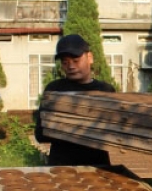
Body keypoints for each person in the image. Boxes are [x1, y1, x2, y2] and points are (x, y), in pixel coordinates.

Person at [34, 34, 115, 166]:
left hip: (99, 167)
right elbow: (40, 134)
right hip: (61, 167)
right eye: (65, 62)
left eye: (76, 60)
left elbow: (114, 132)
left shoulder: (105, 91)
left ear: (90, 58)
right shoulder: (55, 90)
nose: (70, 66)